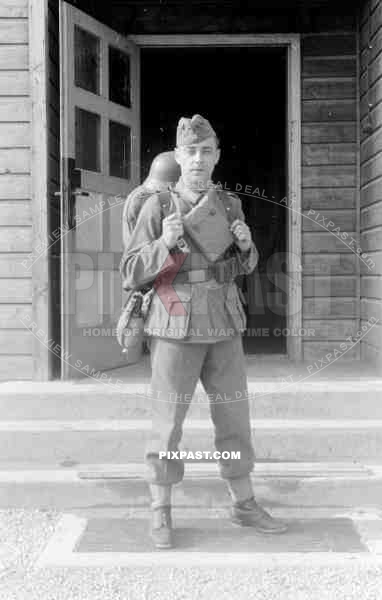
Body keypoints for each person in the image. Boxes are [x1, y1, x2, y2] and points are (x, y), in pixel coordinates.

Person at [121, 114, 288, 549]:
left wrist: (249, 247)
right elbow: (129, 270)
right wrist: (163, 243)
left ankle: (244, 504)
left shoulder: (230, 205)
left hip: (224, 323)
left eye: (206, 151)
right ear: (178, 157)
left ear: (216, 156)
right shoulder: (158, 206)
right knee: (168, 424)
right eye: (189, 151)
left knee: (234, 418)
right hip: (174, 324)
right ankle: (160, 510)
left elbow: (239, 268)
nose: (197, 159)